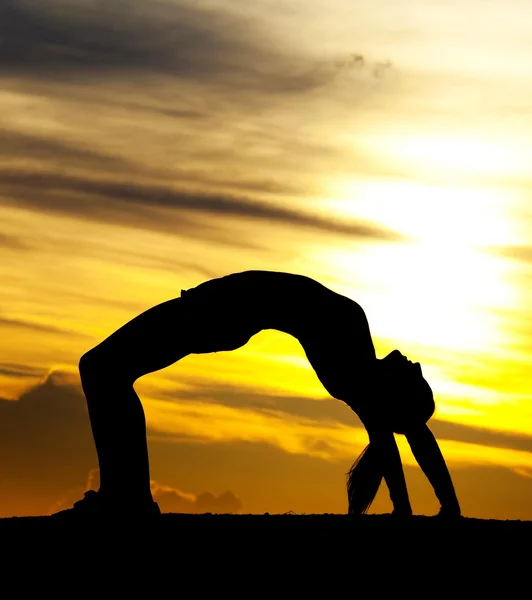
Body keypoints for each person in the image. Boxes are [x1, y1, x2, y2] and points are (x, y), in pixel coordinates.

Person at [54, 270, 461, 519]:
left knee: (101, 368)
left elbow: (396, 434)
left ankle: (125, 503)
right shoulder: (357, 354)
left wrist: (410, 510)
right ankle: (127, 501)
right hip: (221, 307)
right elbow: (398, 432)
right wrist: (442, 508)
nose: (411, 360)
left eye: (413, 372)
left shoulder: (351, 357)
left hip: (218, 311)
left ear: (394, 392)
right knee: (105, 370)